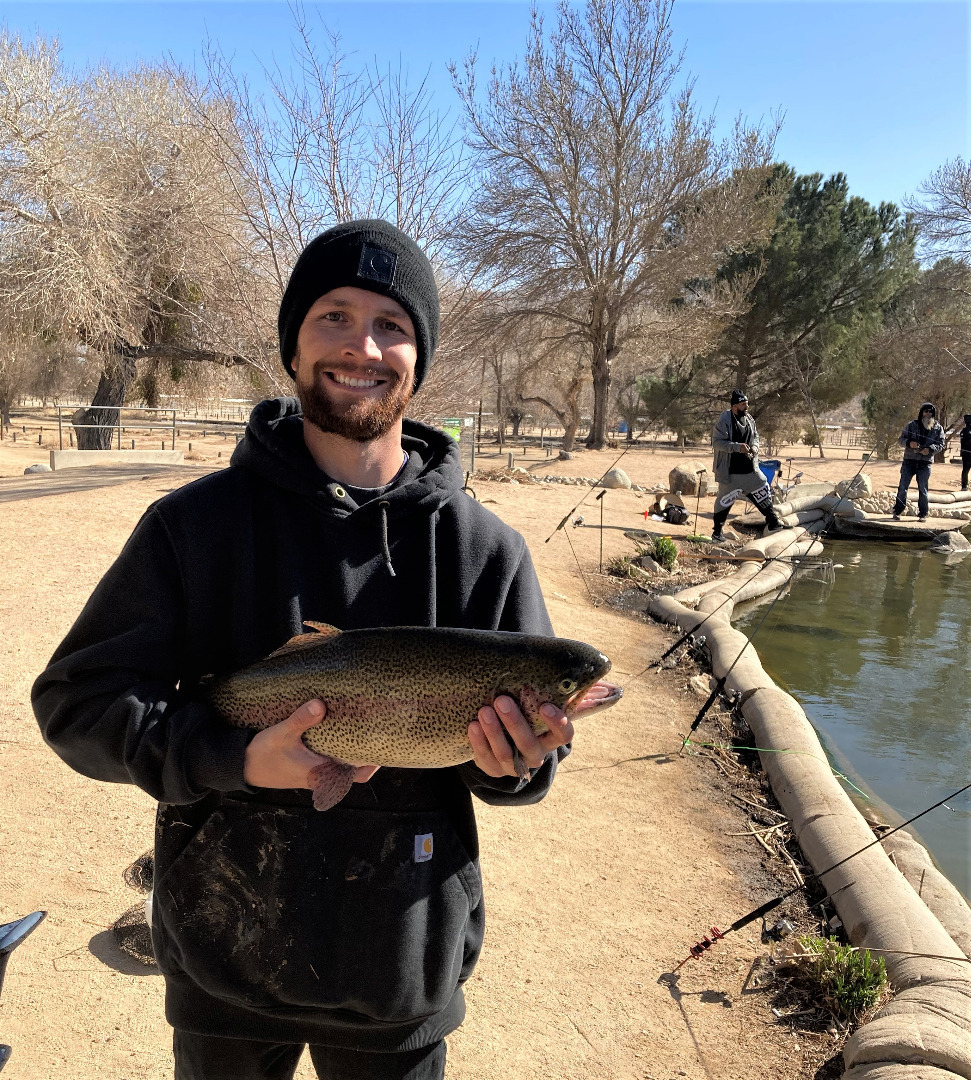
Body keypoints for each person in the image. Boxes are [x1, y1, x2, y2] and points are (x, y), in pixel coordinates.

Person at [32, 220, 585, 1080]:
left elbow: (522, 777)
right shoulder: (192, 527)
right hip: (222, 960)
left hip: (399, 975)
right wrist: (236, 756)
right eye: (333, 316)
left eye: (391, 326)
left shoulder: (486, 551)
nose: (361, 346)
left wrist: (514, 762)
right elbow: (76, 706)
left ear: (419, 355)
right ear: (293, 343)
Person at [709, 389, 784, 543]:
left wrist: (755, 447)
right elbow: (717, 443)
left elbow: (756, 436)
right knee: (724, 502)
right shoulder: (724, 420)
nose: (747, 407)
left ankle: (773, 522)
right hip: (730, 473)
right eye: (743, 404)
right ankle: (717, 533)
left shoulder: (748, 418)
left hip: (750, 470)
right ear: (734, 406)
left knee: (763, 490)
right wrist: (737, 447)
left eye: (747, 404)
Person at [892, 402, 945, 521]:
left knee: (923, 489)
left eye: (930, 412)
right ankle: (898, 510)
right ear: (921, 412)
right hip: (909, 461)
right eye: (925, 411)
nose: (928, 414)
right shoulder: (911, 425)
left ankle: (923, 513)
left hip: (925, 463)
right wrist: (909, 443)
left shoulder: (938, 428)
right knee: (903, 487)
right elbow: (901, 440)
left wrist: (930, 449)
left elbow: (941, 444)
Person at [958, 413, 971, 491]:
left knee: (965, 470)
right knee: (965, 470)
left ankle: (964, 486)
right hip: (966, 454)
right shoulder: (964, 431)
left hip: (966, 453)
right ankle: (964, 486)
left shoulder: (964, 431)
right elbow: (962, 442)